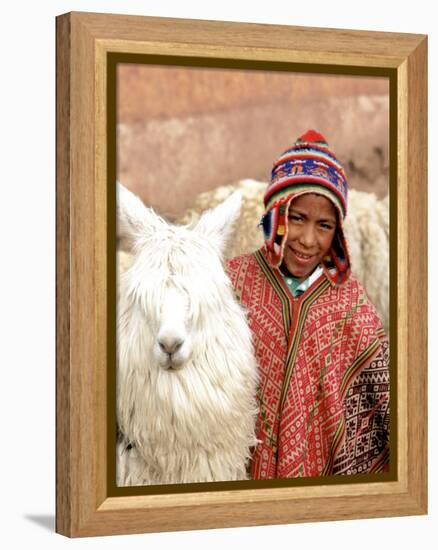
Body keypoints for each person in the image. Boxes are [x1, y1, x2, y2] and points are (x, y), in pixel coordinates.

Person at [226, 130, 390, 479]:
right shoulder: (234, 282)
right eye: (297, 218)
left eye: (324, 225)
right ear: (275, 214)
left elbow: (382, 400)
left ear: (338, 233)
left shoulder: (351, 304)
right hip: (238, 471)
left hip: (320, 482)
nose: (308, 239)